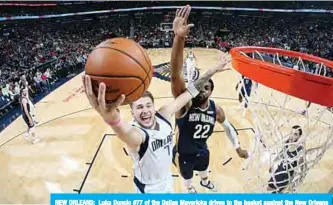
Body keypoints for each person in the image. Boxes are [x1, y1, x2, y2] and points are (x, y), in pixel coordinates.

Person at [82, 55, 230, 193]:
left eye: (148, 106)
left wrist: (212, 70)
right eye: (139, 107)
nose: (145, 111)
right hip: (148, 190)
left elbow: (190, 92)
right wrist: (112, 119)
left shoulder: (163, 114)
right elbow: (126, 133)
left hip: (167, 181)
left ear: (154, 106)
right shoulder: (138, 134)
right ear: (132, 112)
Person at [170, 5, 249, 194]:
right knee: (187, 178)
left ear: (211, 91)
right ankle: (190, 189)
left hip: (202, 149)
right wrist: (179, 38)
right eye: (200, 87)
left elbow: (228, 126)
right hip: (184, 153)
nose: (202, 90)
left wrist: (237, 147)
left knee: (204, 169)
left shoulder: (216, 109)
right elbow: (174, 75)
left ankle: (205, 182)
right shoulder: (185, 104)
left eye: (207, 87)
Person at [267, 125, 306, 193]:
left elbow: (301, 168)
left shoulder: (300, 150)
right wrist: (273, 163)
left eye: (295, 134)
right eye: (291, 133)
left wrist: (293, 182)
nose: (292, 136)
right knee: (269, 188)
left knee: (278, 193)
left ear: (299, 136)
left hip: (287, 176)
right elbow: (281, 153)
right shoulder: (287, 142)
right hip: (280, 169)